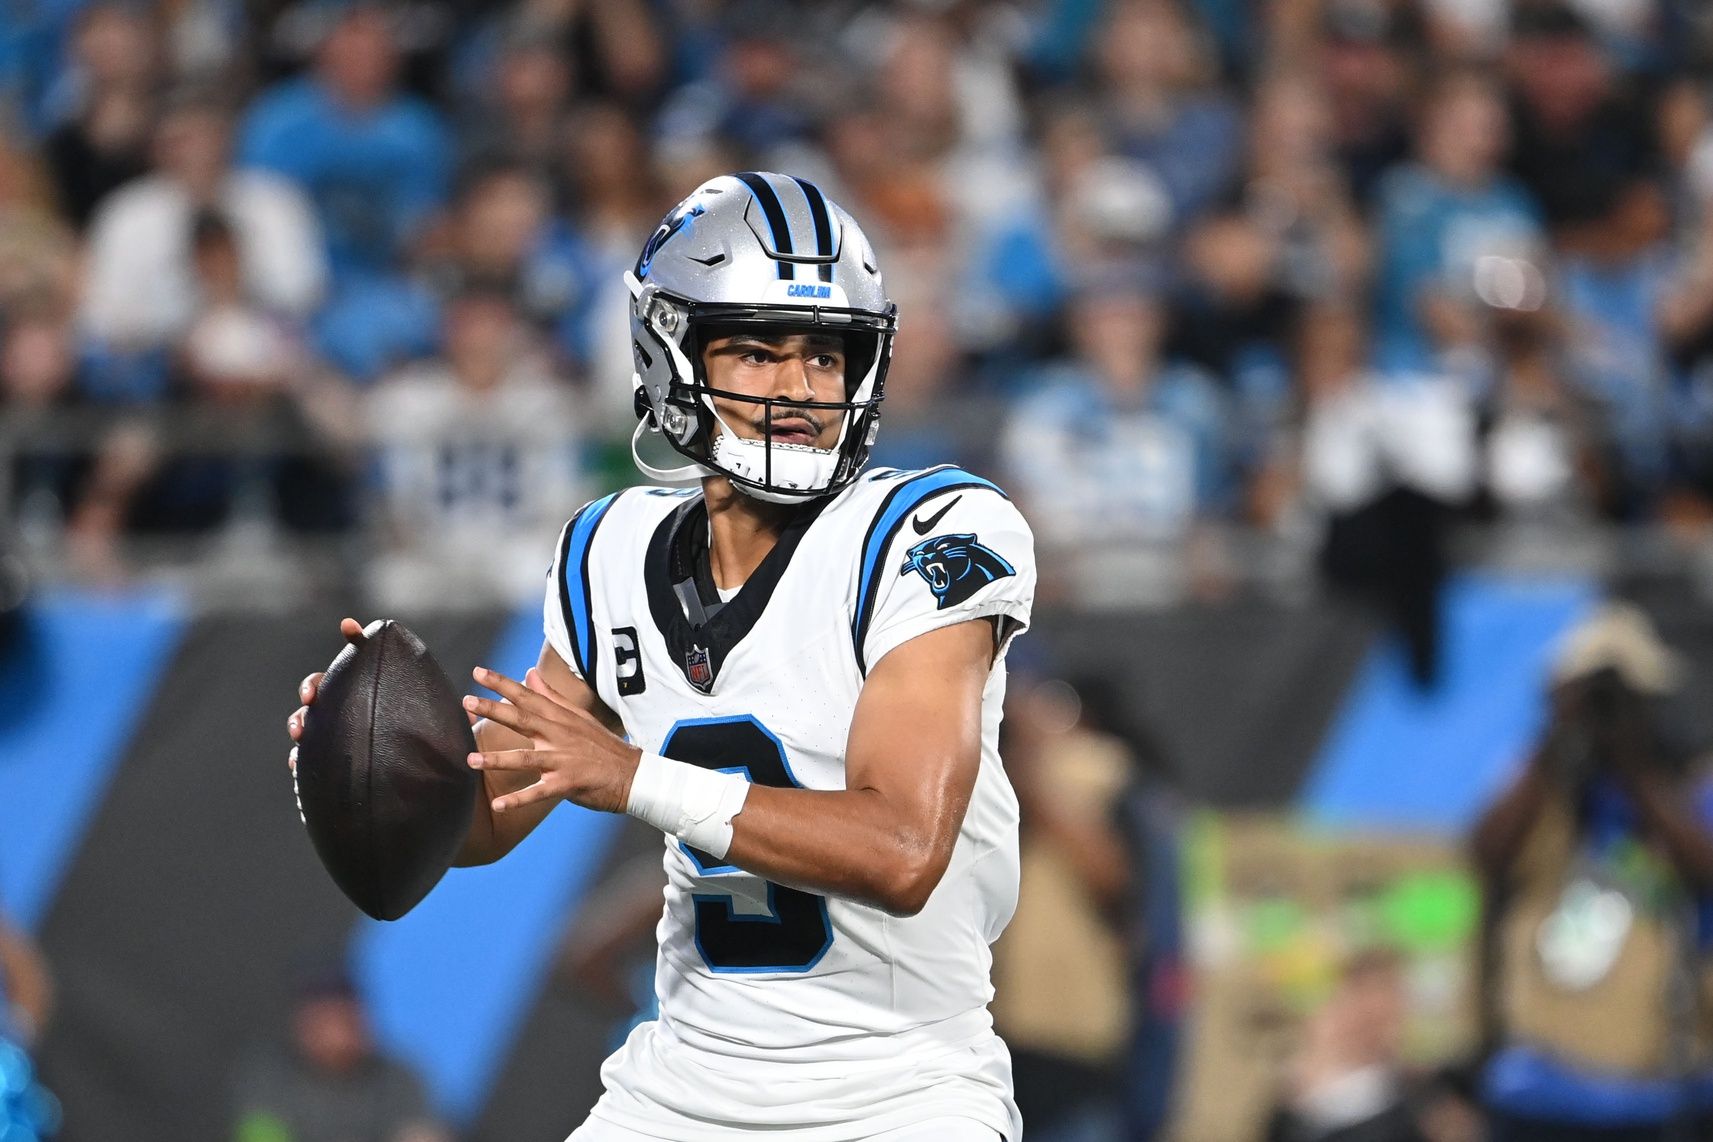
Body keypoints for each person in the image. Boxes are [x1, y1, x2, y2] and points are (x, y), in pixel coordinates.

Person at [288, 171, 1037, 1141]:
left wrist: (638, 774)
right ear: (669, 352)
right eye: (760, 350)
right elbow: (485, 817)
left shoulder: (925, 531)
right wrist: (373, 767)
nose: (800, 386)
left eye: (825, 352)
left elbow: (902, 849)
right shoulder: (612, 551)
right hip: (681, 1081)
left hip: (898, 1089)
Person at [1470, 602, 1713, 1141]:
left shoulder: (1690, 790)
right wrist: (1555, 738)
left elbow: (1703, 865)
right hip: (1537, 1092)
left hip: (1658, 1096)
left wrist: (1633, 763)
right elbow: (1487, 854)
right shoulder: (1540, 792)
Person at [230, 963, 449, 1142]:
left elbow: (422, 1134)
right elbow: (260, 1135)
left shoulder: (398, 1076)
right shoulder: (269, 1075)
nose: (334, 1033)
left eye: (343, 1019)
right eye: (322, 1021)